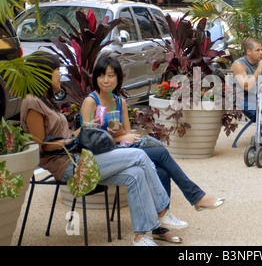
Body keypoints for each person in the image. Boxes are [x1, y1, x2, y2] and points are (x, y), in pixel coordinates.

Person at [20, 52, 183, 246]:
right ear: (45, 74)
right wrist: (69, 140)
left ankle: (140, 237)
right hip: (67, 166)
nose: (59, 76)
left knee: (135, 173)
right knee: (139, 155)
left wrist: (81, 132)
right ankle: (162, 212)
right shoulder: (32, 103)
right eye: (57, 71)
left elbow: (61, 137)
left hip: (79, 159)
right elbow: (40, 146)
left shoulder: (46, 101)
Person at [80, 55, 225, 243]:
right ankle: (195, 198)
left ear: (118, 78)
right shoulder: (91, 101)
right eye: (101, 76)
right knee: (160, 153)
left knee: (163, 172)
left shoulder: (119, 102)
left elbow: (124, 132)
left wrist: (119, 133)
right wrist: (115, 135)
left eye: (111, 75)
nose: (106, 80)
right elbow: (87, 137)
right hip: (104, 156)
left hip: (122, 150)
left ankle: (160, 228)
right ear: (96, 79)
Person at [231, 38, 262, 122]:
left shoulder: (260, 64)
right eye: (257, 50)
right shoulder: (238, 64)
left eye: (261, 50)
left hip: (258, 96)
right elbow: (246, 86)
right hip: (241, 99)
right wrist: (259, 69)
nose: (261, 52)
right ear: (248, 52)